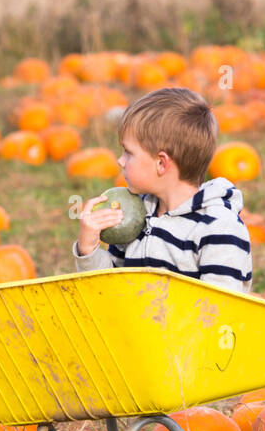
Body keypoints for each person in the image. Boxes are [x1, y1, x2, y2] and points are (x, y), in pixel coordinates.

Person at [73, 87, 253, 293]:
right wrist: (88, 249)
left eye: (128, 152)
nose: (120, 161)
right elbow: (112, 290)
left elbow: (220, 309)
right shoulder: (136, 214)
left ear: (161, 163)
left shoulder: (218, 228)